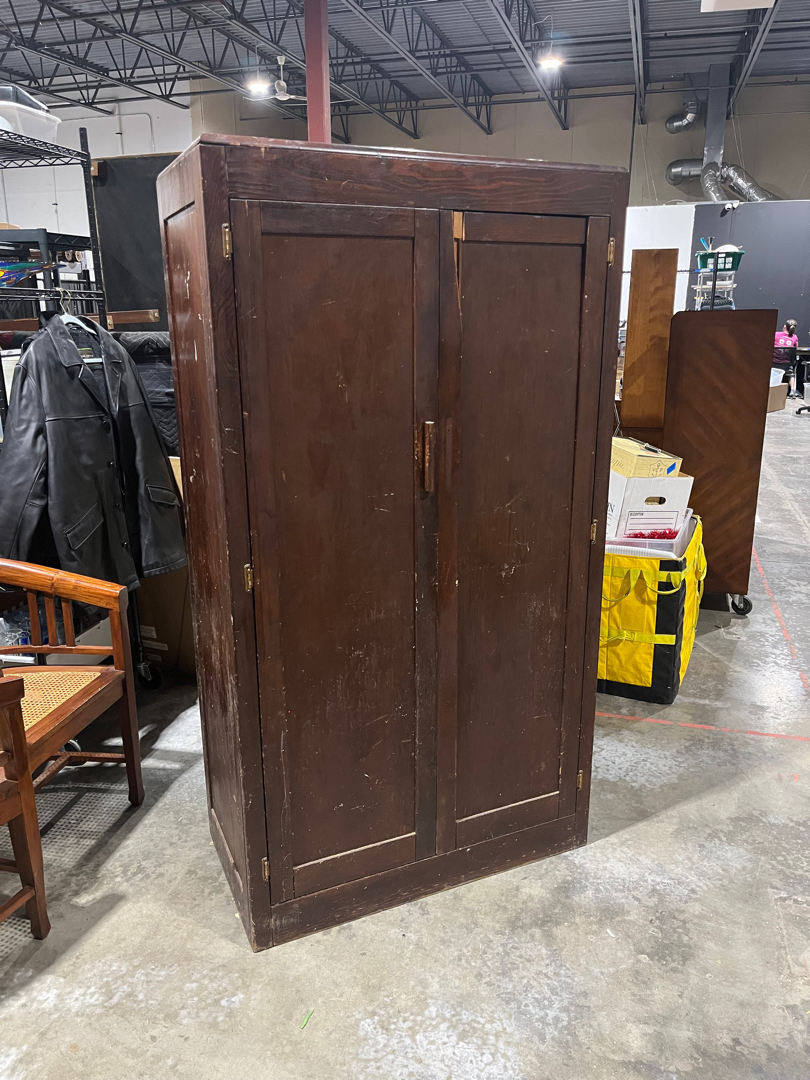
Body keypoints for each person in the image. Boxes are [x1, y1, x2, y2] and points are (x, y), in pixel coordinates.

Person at [773, 319, 800, 397]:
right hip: (786, 365)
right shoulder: (794, 338)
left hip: (773, 363)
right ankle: (792, 390)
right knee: (792, 372)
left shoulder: (776, 334)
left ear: (785, 327)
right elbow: (795, 348)